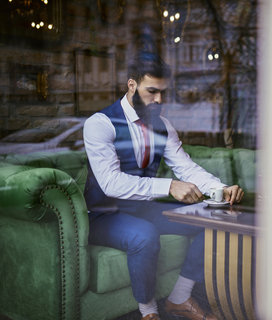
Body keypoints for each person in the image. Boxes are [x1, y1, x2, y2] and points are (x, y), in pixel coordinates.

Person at [83, 52, 244, 320]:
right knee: (144, 236)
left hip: (144, 208)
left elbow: (187, 168)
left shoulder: (163, 126)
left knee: (215, 221)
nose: (158, 100)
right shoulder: (99, 124)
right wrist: (169, 186)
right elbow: (111, 183)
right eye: (151, 91)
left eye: (162, 92)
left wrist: (222, 188)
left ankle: (179, 297)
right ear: (131, 85)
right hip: (104, 214)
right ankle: (148, 312)